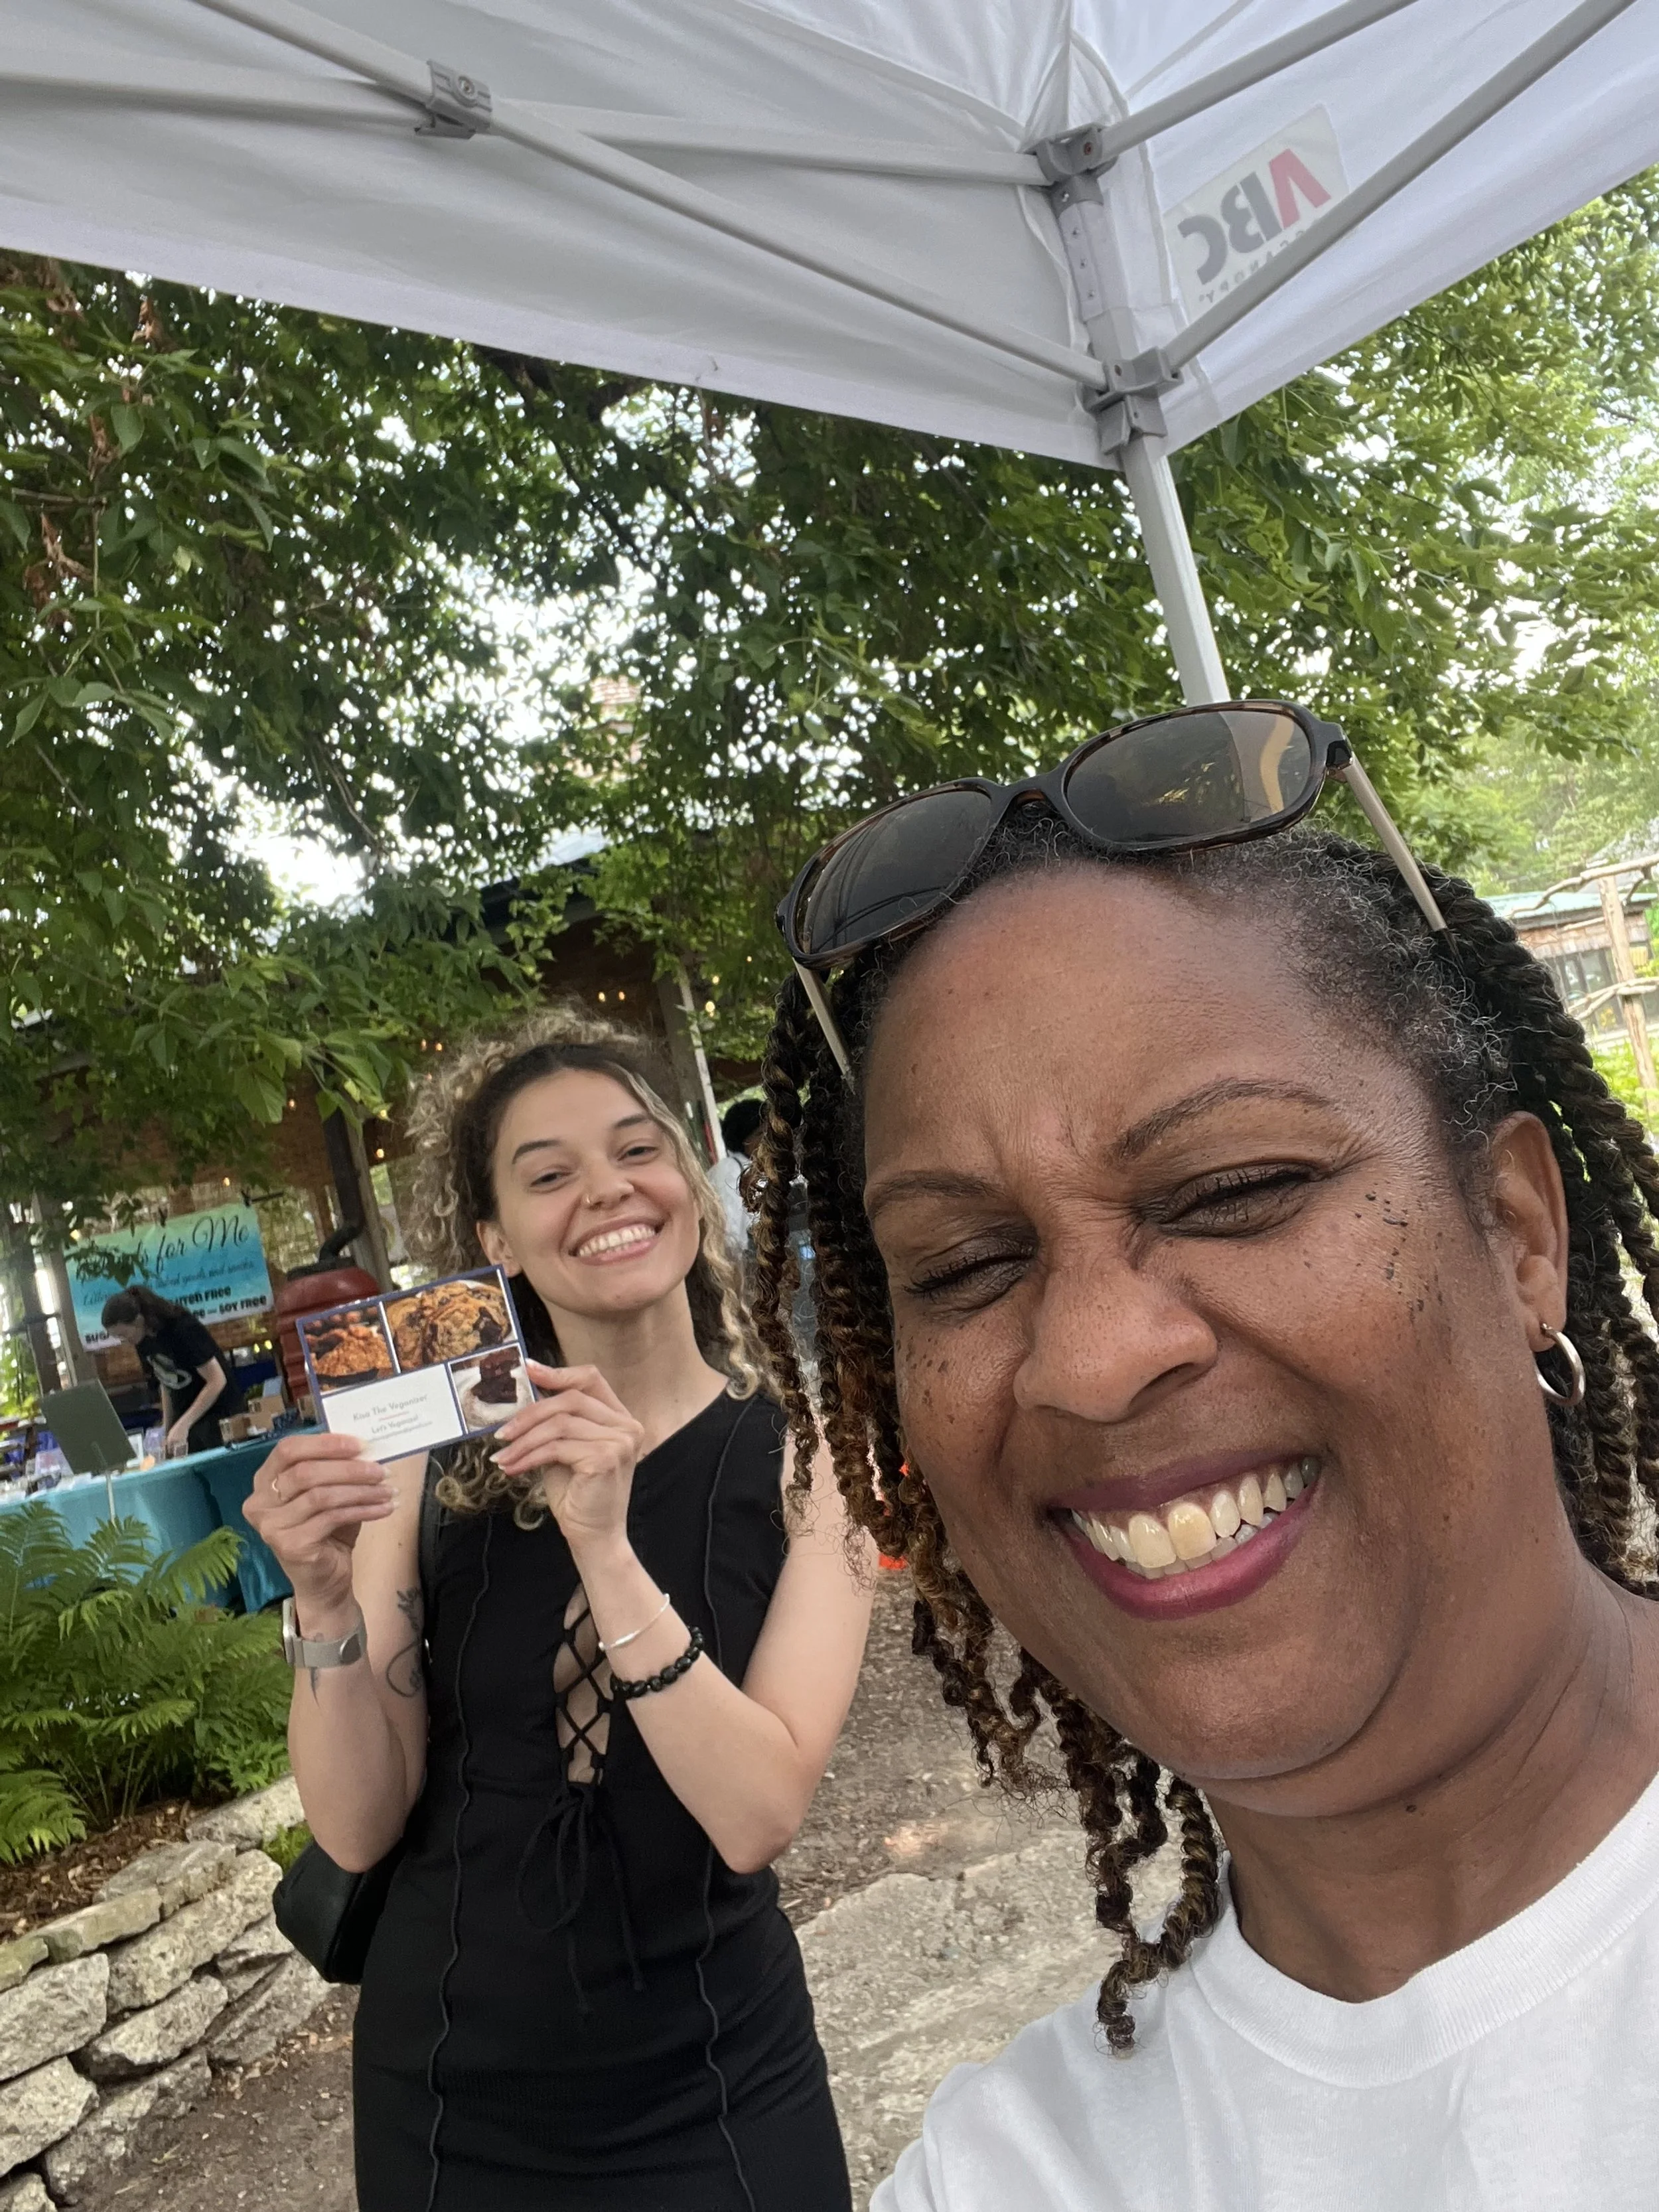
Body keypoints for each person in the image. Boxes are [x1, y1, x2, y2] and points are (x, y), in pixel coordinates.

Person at [747, 699, 1659, 2210]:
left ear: (1517, 1236)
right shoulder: (1012, 2177)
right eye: (968, 1265)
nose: (1094, 1359)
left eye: (1233, 1187)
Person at [245, 1009, 873, 2212]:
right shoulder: (426, 1464)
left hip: (716, 2079)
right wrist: (322, 1598)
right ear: (496, 1239)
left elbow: (756, 1811)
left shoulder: (816, 1460)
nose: (607, 1189)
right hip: (450, 2088)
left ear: (689, 1179)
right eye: (550, 1173)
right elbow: (359, 1825)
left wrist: (602, 1537)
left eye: (639, 1149)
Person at [102, 1284, 246, 1455]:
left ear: (139, 1321)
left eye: (124, 1335)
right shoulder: (143, 1341)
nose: (123, 1342)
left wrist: (184, 1424)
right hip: (188, 1419)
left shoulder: (181, 1327)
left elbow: (217, 1380)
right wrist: (167, 1428)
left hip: (220, 1416)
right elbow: (166, 1382)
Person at [710, 1096, 766, 1258]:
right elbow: (728, 1241)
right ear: (743, 1140)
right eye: (761, 1133)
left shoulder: (759, 1171)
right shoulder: (729, 1172)